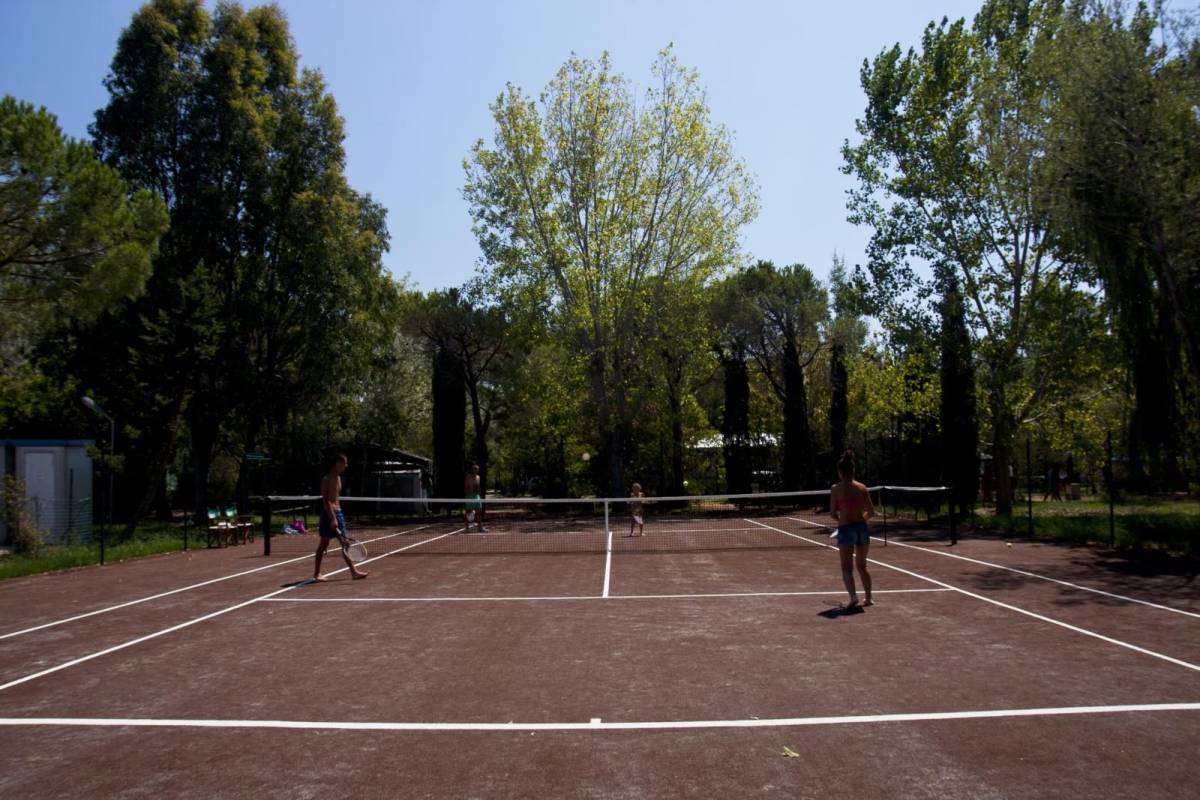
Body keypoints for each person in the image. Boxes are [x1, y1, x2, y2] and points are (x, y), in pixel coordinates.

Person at [830, 450, 875, 609]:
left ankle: (853, 596)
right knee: (862, 566)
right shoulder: (862, 487)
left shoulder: (836, 489)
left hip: (846, 529)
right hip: (862, 528)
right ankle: (868, 598)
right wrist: (862, 520)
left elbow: (832, 513)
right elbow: (871, 511)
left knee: (846, 567)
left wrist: (842, 521)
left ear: (841, 472)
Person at [314, 451, 368, 582]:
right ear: (337, 463)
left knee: (346, 543)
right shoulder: (326, 480)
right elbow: (326, 501)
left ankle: (354, 572)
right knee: (324, 544)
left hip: (339, 512)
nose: (346, 466)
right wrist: (333, 518)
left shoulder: (338, 479)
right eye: (344, 463)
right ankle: (317, 574)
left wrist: (338, 515)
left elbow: (335, 499)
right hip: (328, 514)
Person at [464, 463, 487, 532]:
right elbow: (465, 488)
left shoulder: (478, 477)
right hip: (470, 497)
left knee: (479, 512)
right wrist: (468, 495)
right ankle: (467, 528)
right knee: (469, 512)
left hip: (477, 497)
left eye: (476, 469)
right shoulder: (468, 477)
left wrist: (480, 497)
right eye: (474, 469)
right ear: (472, 469)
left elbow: (478, 488)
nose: (475, 470)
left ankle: (480, 528)